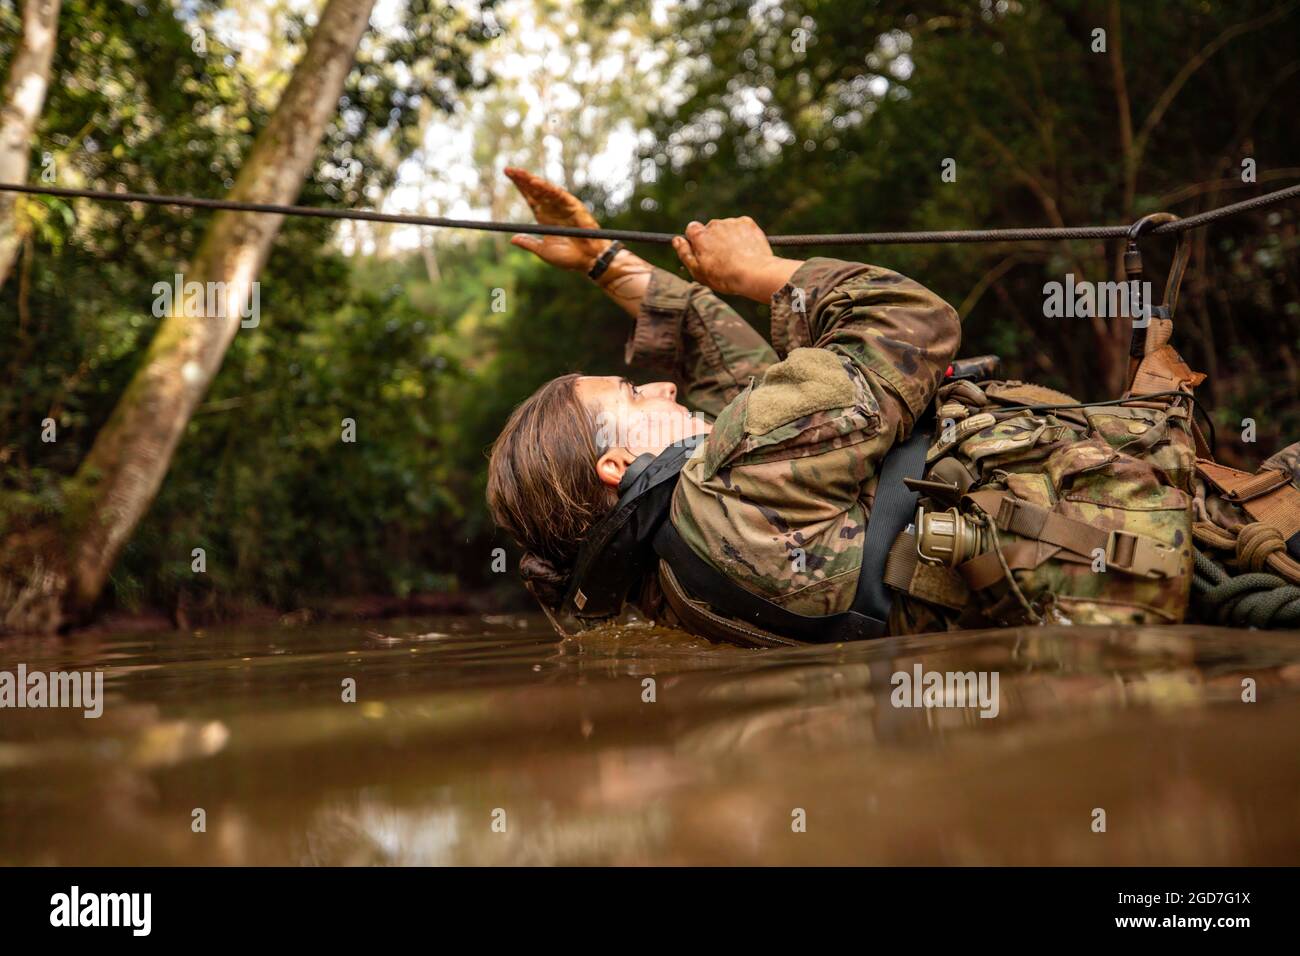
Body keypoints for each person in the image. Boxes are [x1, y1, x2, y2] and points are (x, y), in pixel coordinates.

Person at [487, 169, 1300, 643]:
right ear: (615, 464)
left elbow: (731, 373)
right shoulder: (731, 479)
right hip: (1188, 542)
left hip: (1147, 570)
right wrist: (767, 273)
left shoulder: (673, 578)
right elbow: (914, 324)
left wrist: (608, 262)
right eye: (632, 394)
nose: (661, 386)